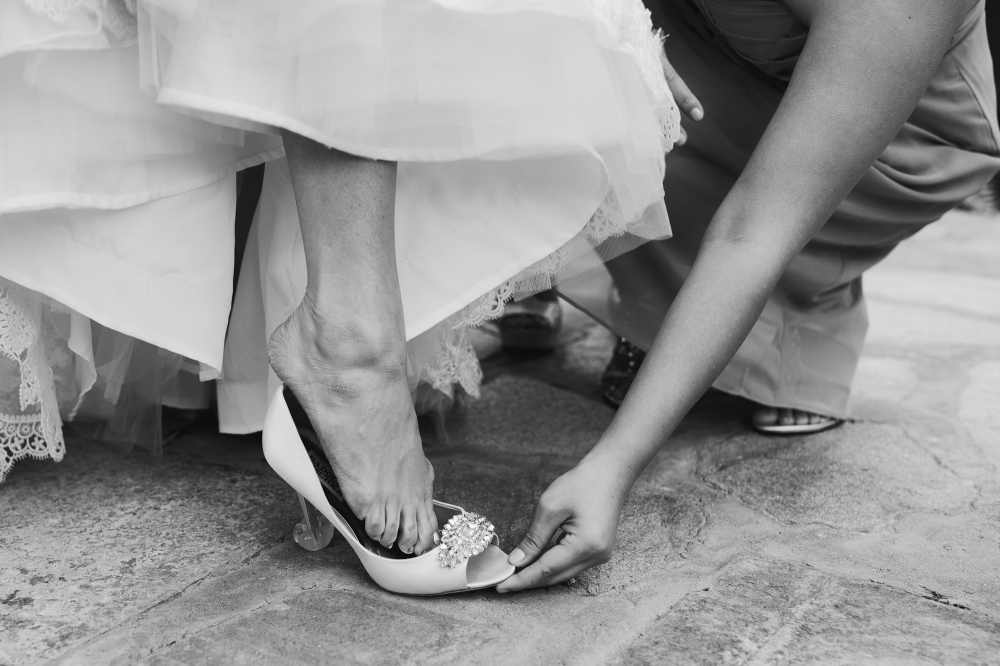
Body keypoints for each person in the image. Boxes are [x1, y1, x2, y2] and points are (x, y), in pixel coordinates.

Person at [498, 0, 999, 591]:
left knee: (707, 160)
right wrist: (611, 25)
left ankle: (771, 318)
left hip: (891, 130)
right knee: (541, 42)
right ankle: (527, 276)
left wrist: (612, 466)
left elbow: (753, 230)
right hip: (702, 47)